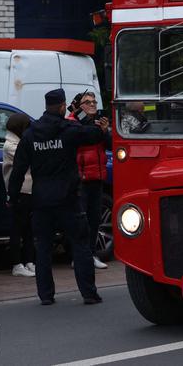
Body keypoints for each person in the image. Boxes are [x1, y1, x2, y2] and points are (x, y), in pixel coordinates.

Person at [8, 88, 108, 306]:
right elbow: (93, 134)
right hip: (69, 200)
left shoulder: (30, 134)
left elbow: (18, 170)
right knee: (80, 246)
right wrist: (96, 124)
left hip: (42, 201)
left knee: (42, 249)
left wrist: (12, 197)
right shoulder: (68, 129)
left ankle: (46, 295)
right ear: (63, 107)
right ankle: (89, 294)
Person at [69, 92, 111, 270]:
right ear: (79, 106)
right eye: (88, 102)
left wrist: (105, 131)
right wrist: (95, 128)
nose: (93, 104)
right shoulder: (73, 122)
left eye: (94, 102)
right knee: (81, 220)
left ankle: (92, 253)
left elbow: (110, 144)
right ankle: (78, 256)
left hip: (97, 176)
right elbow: (82, 139)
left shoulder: (97, 124)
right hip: (81, 177)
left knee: (95, 219)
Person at [1, 112, 34, 278]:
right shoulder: (11, 145)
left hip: (29, 190)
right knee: (17, 228)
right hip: (19, 191)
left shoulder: (20, 141)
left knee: (29, 228)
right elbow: (30, 159)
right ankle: (17, 264)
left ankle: (29, 261)